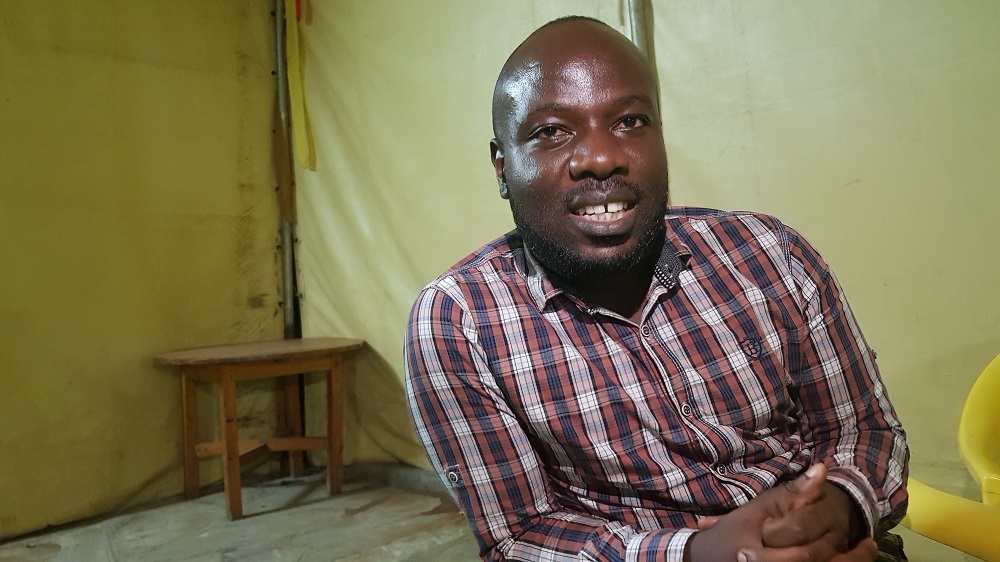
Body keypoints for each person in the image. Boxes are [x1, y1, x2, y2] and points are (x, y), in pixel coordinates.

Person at [404, 16, 908, 562]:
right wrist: (692, 554)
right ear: (502, 167)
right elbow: (519, 533)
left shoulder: (770, 254)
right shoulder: (458, 322)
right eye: (551, 131)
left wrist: (834, 512)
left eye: (629, 121)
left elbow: (867, 433)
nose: (601, 157)